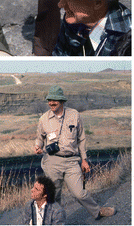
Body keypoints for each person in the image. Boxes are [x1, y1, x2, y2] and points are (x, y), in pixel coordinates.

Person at [34, 86, 114, 219]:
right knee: (54, 195)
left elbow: (81, 139)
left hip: (72, 161)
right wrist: (37, 146)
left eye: (55, 100)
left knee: (79, 193)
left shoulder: (74, 115)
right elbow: (39, 138)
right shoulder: (43, 119)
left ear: (62, 101)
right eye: (49, 100)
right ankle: (55, 221)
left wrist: (84, 159)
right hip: (52, 161)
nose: (51, 103)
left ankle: (97, 211)